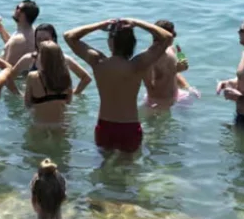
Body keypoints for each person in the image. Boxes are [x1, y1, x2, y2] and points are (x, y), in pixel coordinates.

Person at [65, 18, 173, 153]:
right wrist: (137, 22)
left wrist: (99, 25)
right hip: (130, 127)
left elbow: (69, 36)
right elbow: (167, 37)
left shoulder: (98, 61)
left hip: (105, 126)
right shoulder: (138, 64)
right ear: (132, 43)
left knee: (104, 168)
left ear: (111, 42)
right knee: (130, 170)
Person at [24, 24, 92, 96]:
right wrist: (19, 95)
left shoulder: (64, 59)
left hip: (58, 102)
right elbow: (10, 77)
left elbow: (86, 78)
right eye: (38, 39)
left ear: (53, 39)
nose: (41, 43)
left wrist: (74, 93)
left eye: (46, 39)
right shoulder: (30, 58)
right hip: (36, 102)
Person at [143, 20, 197, 107]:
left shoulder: (171, 49)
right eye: (172, 34)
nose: (175, 36)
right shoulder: (149, 56)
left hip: (175, 95)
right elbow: (150, 85)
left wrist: (188, 87)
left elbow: (174, 73)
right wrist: (173, 70)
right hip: (158, 101)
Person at [24, 41, 77, 125]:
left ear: (43, 58)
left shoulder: (33, 77)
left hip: (39, 126)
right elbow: (68, 101)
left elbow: (27, 103)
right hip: (62, 126)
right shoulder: (66, 76)